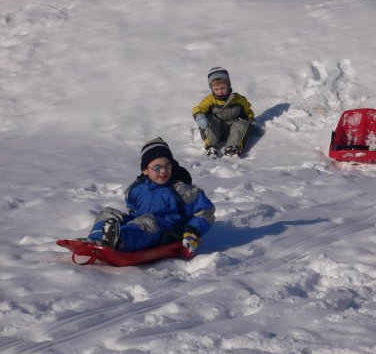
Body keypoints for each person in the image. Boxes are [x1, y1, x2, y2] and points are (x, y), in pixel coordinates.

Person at [84, 137, 215, 255]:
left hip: (166, 230)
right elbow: (132, 204)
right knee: (108, 213)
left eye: (167, 166)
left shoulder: (181, 189)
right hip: (140, 225)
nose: (163, 171)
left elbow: (205, 211)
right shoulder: (137, 188)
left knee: (147, 222)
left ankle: (119, 241)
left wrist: (193, 230)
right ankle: (96, 239)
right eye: (157, 168)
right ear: (145, 170)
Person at [192, 67, 256, 158]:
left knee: (243, 123)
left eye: (222, 88)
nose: (220, 92)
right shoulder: (210, 100)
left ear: (228, 85)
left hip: (232, 131)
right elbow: (199, 108)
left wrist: (251, 119)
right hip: (215, 130)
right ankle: (212, 146)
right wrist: (199, 116)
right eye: (216, 89)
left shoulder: (238, 99)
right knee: (209, 120)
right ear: (212, 89)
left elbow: (248, 111)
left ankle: (232, 147)